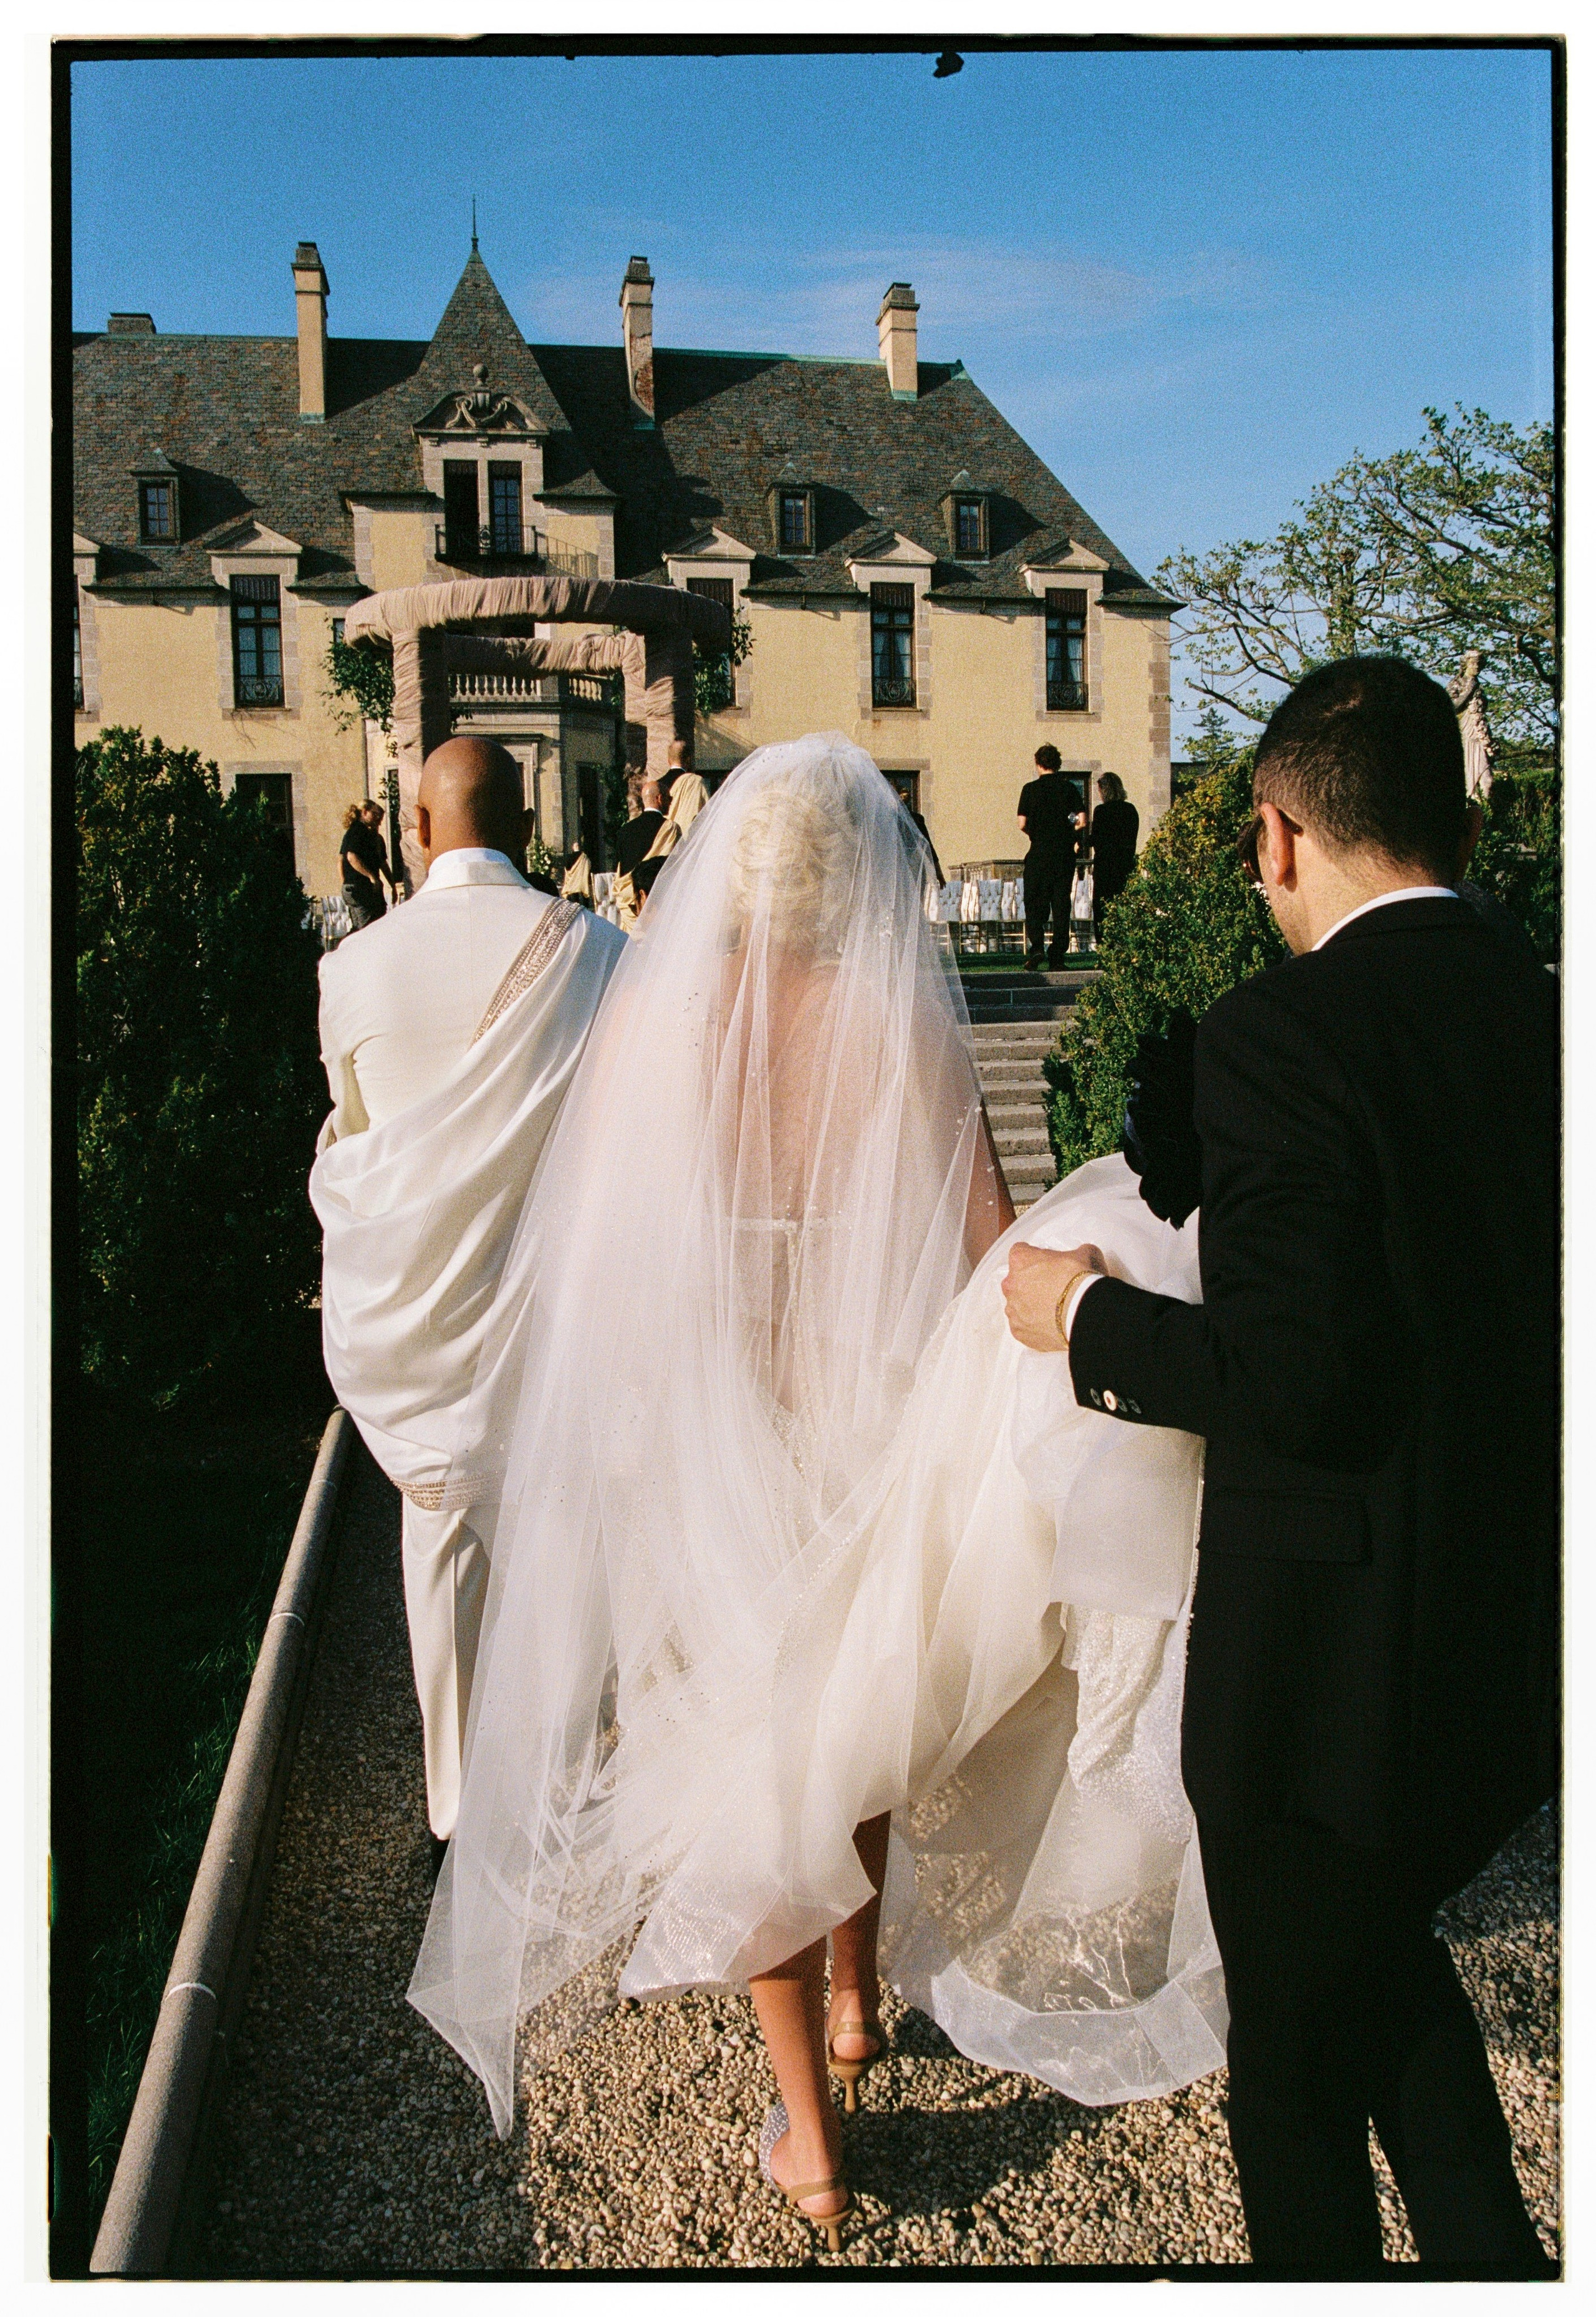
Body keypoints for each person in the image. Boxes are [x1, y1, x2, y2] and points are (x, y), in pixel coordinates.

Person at [409, 735, 1229, 2252]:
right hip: (867, 1425)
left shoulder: (655, 1016)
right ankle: (856, 1997)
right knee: (848, 1722)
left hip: (710, 1430)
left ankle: (809, 2125)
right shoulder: (895, 1020)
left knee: (742, 1761)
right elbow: (986, 1250)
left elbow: (607, 1257)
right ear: (860, 872)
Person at [1001, 657, 1559, 2280]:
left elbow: (1296, 1381)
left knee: (1295, 2094)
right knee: (1381, 1992)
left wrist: (1082, 1313)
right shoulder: (1547, 1007)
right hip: (1501, 1638)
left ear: (1277, 834)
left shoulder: (1278, 1034)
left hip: (1322, 1681)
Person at [310, 737, 626, 1876]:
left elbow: (358, 1142)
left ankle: (454, 1812)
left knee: (443, 1543)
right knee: (572, 1543)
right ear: (529, 825)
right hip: (557, 1304)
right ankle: (569, 1783)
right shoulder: (600, 953)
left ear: (417, 827)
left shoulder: (353, 969)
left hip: (424, 1317)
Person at [1017, 745, 1085, 969]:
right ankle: (1057, 955)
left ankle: (1037, 947)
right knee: (1061, 905)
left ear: (1038, 764)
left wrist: (1036, 833)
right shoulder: (1069, 789)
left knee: (1034, 902)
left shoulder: (1030, 790)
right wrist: (1068, 829)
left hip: (1039, 853)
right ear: (1058, 764)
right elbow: (1081, 821)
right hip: (1063, 855)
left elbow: (1022, 823)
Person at [1087, 772, 1139, 944]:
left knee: (1102, 908)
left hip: (1105, 867)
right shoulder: (1130, 810)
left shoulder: (1102, 811)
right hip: (1125, 865)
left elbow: (1096, 839)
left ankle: (1104, 944)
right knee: (1123, 907)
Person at [613, 775, 665, 930]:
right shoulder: (670, 828)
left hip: (628, 907)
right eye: (669, 798)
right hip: (656, 907)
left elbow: (618, 869)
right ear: (660, 799)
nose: (671, 801)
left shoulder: (624, 831)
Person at [340, 798, 397, 929]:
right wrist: (371, 877)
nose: (379, 821)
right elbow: (351, 857)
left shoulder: (370, 836)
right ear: (365, 812)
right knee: (368, 928)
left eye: (380, 818)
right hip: (362, 888)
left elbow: (382, 863)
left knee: (361, 928)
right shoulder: (358, 831)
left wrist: (393, 886)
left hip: (358, 888)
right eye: (375, 815)